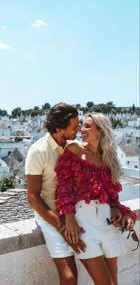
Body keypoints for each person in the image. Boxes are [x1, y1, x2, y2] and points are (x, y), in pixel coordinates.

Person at [55, 113, 137, 285]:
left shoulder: (109, 159)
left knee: (114, 281)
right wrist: (69, 218)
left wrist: (123, 212)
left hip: (107, 223)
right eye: (82, 126)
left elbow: (112, 197)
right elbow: (64, 189)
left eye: (86, 126)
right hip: (84, 225)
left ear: (100, 131)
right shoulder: (73, 151)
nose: (81, 130)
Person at [25, 102, 87, 285]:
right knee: (69, 277)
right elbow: (33, 197)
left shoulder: (73, 146)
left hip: (73, 215)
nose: (79, 129)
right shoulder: (38, 151)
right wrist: (61, 227)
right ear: (59, 129)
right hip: (50, 216)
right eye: (75, 127)